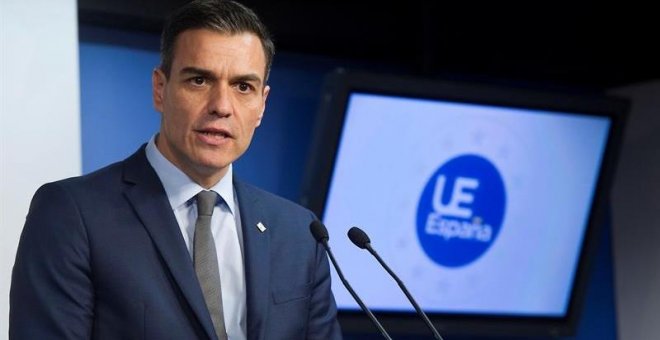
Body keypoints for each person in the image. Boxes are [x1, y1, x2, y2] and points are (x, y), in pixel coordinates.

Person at [9, 1, 342, 339]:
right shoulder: (72, 213)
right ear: (160, 89)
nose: (222, 107)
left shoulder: (301, 233)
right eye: (199, 80)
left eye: (243, 87)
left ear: (261, 105)